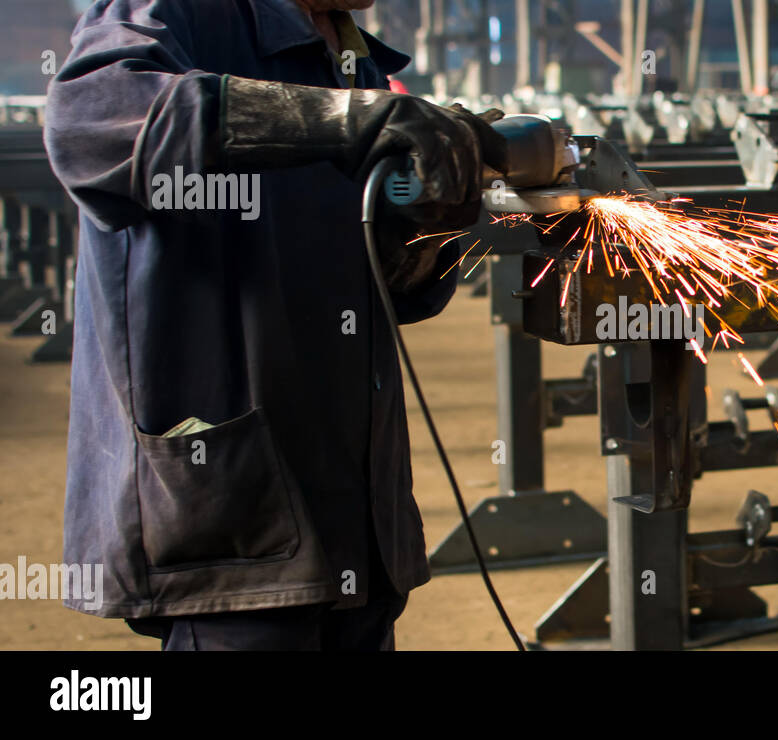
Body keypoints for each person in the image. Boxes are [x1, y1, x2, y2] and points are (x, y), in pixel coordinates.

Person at [43, 0, 504, 650]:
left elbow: (388, 284)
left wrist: (433, 221)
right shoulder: (177, 11)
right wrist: (344, 120)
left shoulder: (351, 58)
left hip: (356, 520)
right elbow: (89, 119)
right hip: (236, 513)